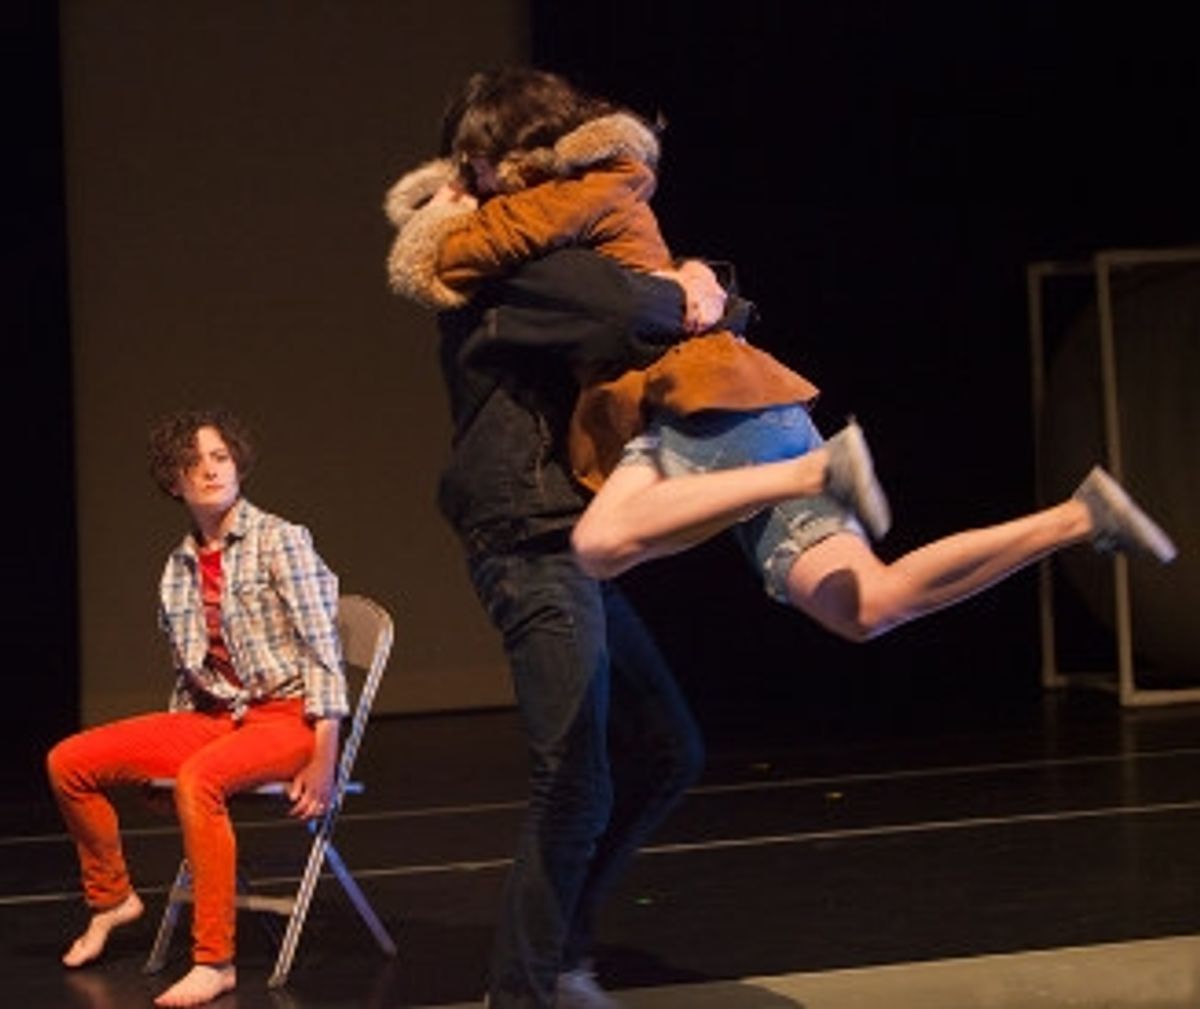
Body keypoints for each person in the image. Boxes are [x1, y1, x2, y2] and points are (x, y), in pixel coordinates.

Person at [385, 66, 1177, 652]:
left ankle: (817, 472)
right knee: (868, 604)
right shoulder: (603, 188)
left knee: (599, 545)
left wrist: (439, 219)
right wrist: (692, 276)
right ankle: (1082, 516)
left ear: (512, 150)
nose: (474, 180)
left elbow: (469, 254)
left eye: (476, 163)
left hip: (706, 402)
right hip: (752, 407)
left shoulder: (572, 189)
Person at [390, 125, 730, 1006]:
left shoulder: (523, 240)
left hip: (561, 529)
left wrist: (708, 286)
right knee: (575, 776)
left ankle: (560, 953)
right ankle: (528, 989)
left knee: (665, 747)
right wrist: (693, 285)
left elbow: (650, 311)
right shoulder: (499, 256)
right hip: (528, 528)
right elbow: (634, 311)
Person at [46, 407, 348, 1008]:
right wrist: (162, 752)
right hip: (216, 717)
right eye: (193, 463)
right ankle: (112, 899)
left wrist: (325, 756)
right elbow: (190, 676)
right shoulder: (178, 566)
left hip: (289, 717)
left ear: (237, 464)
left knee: (199, 780)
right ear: (173, 482)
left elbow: (324, 650)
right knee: (68, 761)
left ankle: (216, 961)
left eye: (219, 457)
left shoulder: (281, 539)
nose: (209, 470)